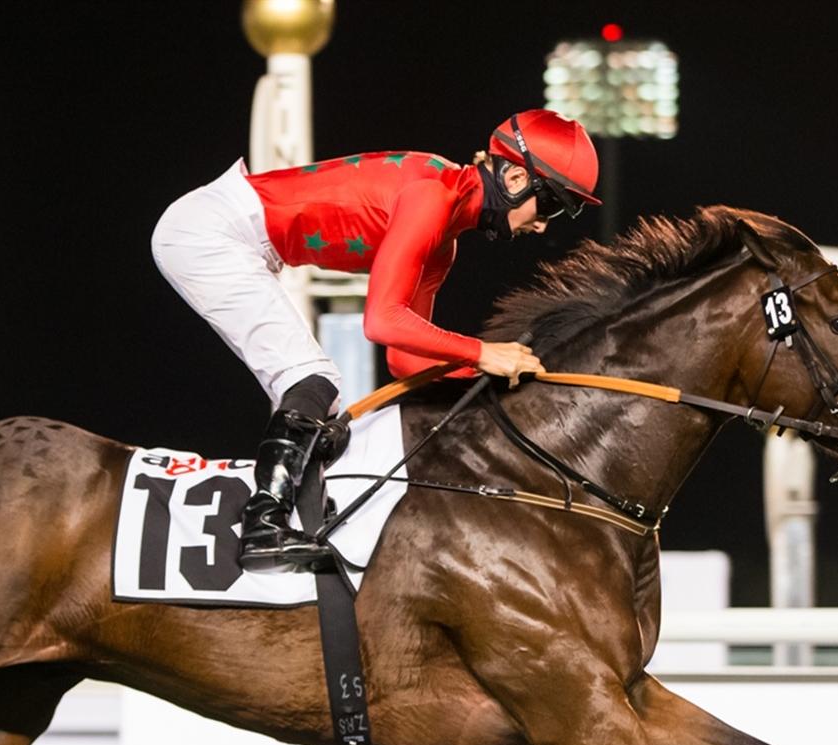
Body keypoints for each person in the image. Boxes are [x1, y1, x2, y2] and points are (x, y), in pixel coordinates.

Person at [151, 108, 601, 571]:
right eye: (549, 205)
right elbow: (382, 321)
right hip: (212, 233)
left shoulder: (443, 241)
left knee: (323, 399)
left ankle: (296, 521)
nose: (543, 226)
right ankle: (263, 525)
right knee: (312, 379)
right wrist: (483, 353)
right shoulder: (431, 194)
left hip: (236, 237)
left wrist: (494, 378)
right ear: (514, 178)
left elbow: (404, 360)